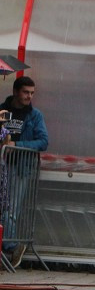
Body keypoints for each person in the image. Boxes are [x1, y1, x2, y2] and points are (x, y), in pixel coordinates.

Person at [1, 75, 48, 268]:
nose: (29, 96)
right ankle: (10, 246)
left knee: (10, 209)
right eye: (25, 92)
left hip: (20, 167)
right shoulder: (3, 111)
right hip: (3, 166)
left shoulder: (34, 115)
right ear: (15, 92)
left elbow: (43, 142)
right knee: (4, 208)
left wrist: (17, 144)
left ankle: (10, 246)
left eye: (32, 93)